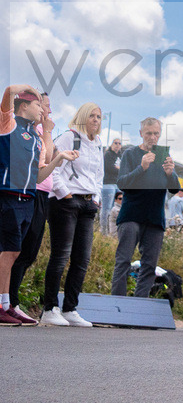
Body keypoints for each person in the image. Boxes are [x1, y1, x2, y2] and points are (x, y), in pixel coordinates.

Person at [1, 87, 75, 326]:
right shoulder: (9, 124)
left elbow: (39, 175)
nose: (43, 110)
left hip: (27, 198)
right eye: (38, 106)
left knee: (14, 253)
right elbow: (8, 95)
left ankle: (5, 304)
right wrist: (24, 90)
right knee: (7, 251)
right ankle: (2, 303)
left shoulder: (34, 137)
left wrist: (58, 159)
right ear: (24, 105)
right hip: (7, 196)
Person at [40, 102, 104, 327]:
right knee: (60, 256)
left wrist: (95, 198)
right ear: (82, 117)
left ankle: (70, 309)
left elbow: (99, 174)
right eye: (92, 116)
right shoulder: (68, 137)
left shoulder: (97, 143)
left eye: (99, 117)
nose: (96, 120)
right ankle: (49, 308)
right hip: (66, 203)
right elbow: (52, 166)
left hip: (88, 205)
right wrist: (64, 193)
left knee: (81, 259)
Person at [111, 118, 180, 299]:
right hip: (131, 215)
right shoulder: (130, 154)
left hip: (155, 218)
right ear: (141, 133)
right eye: (148, 133)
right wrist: (141, 168)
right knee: (124, 261)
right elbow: (122, 184)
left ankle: (139, 306)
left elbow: (174, 188)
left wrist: (170, 174)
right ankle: (117, 306)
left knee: (149, 266)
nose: (152, 137)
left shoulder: (164, 156)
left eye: (156, 133)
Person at [8, 91, 60, 324]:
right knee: (15, 249)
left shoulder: (39, 132)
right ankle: (10, 301)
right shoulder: (29, 130)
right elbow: (46, 158)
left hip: (41, 193)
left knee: (28, 252)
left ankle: (11, 301)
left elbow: (48, 162)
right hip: (26, 191)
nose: (47, 110)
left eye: (47, 106)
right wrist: (48, 132)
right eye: (43, 105)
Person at [100, 138, 122, 234]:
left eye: (119, 143)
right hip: (108, 184)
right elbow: (109, 168)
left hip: (117, 184)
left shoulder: (120, 156)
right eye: (115, 143)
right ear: (111, 144)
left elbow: (123, 168)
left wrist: (118, 168)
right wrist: (119, 169)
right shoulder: (107, 154)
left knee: (116, 208)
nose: (117, 145)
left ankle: (113, 231)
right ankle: (104, 231)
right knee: (106, 208)